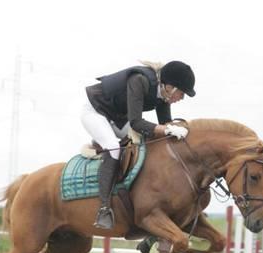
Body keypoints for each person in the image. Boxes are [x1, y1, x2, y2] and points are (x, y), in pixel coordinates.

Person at [82, 60, 196, 230]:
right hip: (96, 112)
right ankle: (104, 209)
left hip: (118, 118)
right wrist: (167, 130)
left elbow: (164, 124)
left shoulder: (163, 95)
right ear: (170, 86)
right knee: (114, 148)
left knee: (151, 143)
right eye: (181, 93)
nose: (181, 98)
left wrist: (175, 131)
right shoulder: (139, 80)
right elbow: (136, 123)